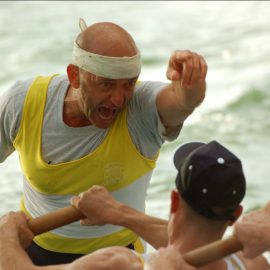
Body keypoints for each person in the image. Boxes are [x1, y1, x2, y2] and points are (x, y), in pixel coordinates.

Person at [0, 17, 207, 265]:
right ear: (74, 76)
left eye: (128, 84)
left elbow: (181, 102)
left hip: (122, 257)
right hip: (34, 251)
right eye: (106, 85)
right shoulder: (24, 103)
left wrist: (190, 84)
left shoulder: (139, 110)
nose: (119, 99)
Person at [0, 141, 269, 270]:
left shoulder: (117, 264)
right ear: (236, 216)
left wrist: (7, 235)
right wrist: (119, 214)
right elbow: (195, 243)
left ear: (174, 200)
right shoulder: (254, 263)